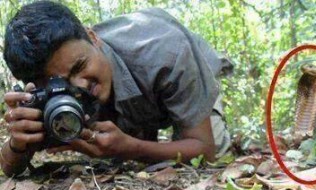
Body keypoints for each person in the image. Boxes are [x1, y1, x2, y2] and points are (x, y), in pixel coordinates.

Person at [0, 1, 232, 177]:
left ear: (93, 38)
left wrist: (131, 148)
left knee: (214, 159)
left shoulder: (167, 52)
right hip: (135, 94)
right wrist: (18, 143)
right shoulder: (49, 99)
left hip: (188, 66)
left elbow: (205, 149)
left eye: (80, 66)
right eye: (63, 86)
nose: (80, 85)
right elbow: (10, 169)